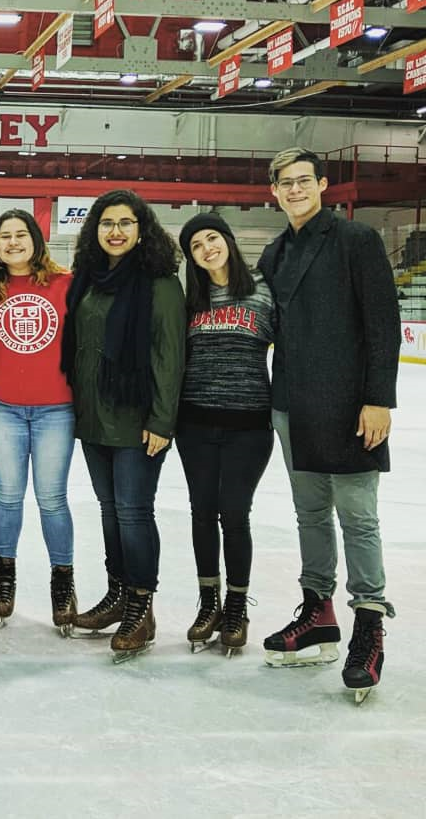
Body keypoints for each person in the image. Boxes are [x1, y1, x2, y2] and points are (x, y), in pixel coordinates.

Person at [257, 148, 400, 701]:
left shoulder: (355, 241)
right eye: (284, 183)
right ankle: (318, 611)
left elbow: (382, 323)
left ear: (321, 185)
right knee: (309, 512)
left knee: (358, 516)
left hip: (349, 404)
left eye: (302, 181)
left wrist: (378, 399)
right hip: (292, 403)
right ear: (273, 192)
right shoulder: (274, 252)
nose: (294, 190)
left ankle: (369, 624)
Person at [64, 189, 185, 662]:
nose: (115, 231)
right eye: (107, 223)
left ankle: (141, 605)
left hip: (138, 421)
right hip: (94, 418)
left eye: (125, 223)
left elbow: (169, 357)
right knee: (110, 510)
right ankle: (117, 594)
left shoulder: (160, 283)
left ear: (142, 231)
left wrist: (161, 420)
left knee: (134, 512)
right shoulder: (89, 279)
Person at [176, 212, 275, 656]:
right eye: (196, 246)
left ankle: (236, 606)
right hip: (195, 423)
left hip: (248, 425)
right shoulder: (191, 301)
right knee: (201, 512)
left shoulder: (263, 291)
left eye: (211, 238)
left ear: (229, 241)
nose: (206, 249)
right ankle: (209, 601)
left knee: (234, 514)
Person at [0, 209, 78, 634]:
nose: (13, 242)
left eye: (21, 235)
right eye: (5, 236)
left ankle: (63, 584)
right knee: (8, 496)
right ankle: (4, 579)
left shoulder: (64, 284)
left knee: (52, 498)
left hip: (57, 407)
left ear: (37, 240)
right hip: (3, 407)